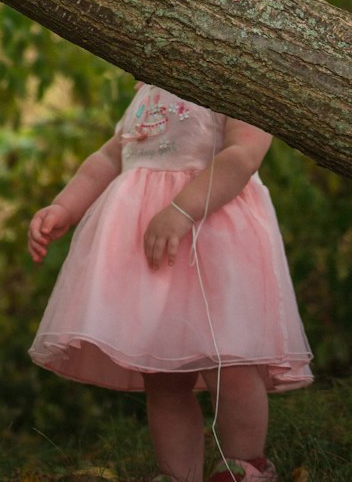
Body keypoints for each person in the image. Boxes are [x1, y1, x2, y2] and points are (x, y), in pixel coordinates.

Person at [28, 80, 313, 482]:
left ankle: (245, 465)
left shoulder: (240, 80)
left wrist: (182, 210)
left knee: (230, 361)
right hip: (153, 254)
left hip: (214, 240)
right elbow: (109, 158)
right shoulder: (150, 87)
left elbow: (243, 155)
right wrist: (64, 206)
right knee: (161, 376)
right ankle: (178, 474)